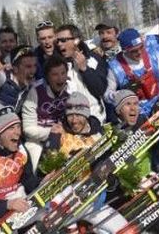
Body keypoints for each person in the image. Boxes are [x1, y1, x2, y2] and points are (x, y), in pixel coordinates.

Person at [42, 92, 128, 233]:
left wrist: (110, 179)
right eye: (70, 115)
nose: (74, 120)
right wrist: (53, 140)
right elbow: (48, 166)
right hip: (65, 197)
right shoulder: (60, 131)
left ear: (86, 114)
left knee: (123, 229)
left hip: (92, 198)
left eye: (78, 115)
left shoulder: (99, 134)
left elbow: (110, 166)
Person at [108, 90, 159, 234]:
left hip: (146, 185)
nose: (133, 108)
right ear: (118, 109)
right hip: (123, 190)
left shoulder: (146, 127)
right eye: (128, 104)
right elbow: (103, 165)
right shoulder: (110, 132)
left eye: (136, 104)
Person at [106, 28, 159, 117]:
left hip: (158, 105)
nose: (139, 52)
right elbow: (107, 95)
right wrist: (120, 94)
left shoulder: (152, 54)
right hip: (135, 113)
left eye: (141, 47)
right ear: (125, 51)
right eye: (134, 51)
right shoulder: (115, 66)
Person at [22, 55, 70, 170]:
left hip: (66, 133)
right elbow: (28, 129)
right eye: (55, 75)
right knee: (35, 158)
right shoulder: (35, 91)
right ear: (47, 77)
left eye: (63, 73)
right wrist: (51, 132)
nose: (60, 79)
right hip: (39, 140)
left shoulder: (71, 88)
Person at [55, 24, 108, 122]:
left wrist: (85, 70)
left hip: (96, 119)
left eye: (63, 40)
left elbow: (100, 89)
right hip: (72, 123)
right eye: (57, 41)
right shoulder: (56, 66)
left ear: (76, 40)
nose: (59, 44)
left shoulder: (93, 59)